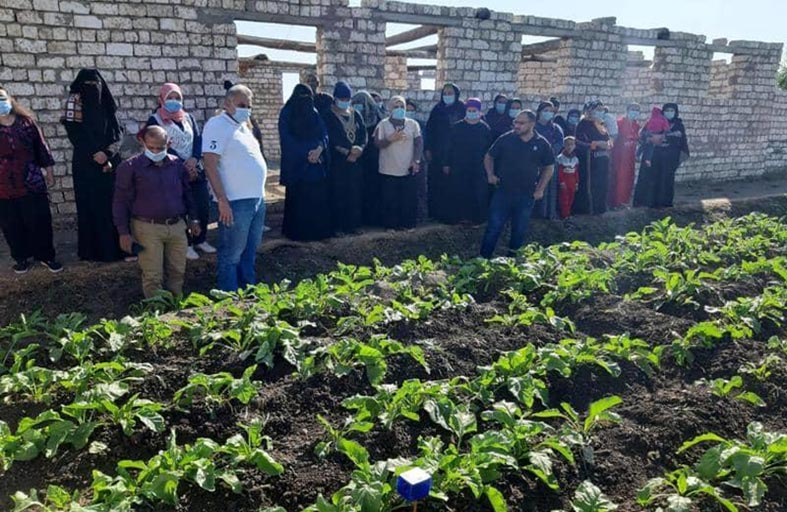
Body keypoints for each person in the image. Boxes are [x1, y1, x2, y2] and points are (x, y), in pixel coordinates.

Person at [113, 126, 199, 298]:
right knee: (153, 275)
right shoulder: (130, 167)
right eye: (151, 147)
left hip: (176, 226)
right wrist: (123, 232)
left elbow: (187, 193)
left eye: (160, 148)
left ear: (169, 143)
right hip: (147, 227)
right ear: (143, 143)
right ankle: (156, 314)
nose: (155, 151)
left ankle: (175, 307)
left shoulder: (176, 164)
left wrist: (194, 219)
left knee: (177, 271)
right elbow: (120, 201)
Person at [202, 85, 267, 292]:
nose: (246, 109)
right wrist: (222, 200)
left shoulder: (243, 127)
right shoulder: (217, 125)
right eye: (241, 105)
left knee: (249, 251)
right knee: (231, 253)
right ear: (227, 103)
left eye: (249, 106)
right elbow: (210, 163)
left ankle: (248, 291)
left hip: (256, 199)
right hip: (235, 201)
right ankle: (227, 299)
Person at [145, 83, 215, 261]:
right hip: (172, 170)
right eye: (170, 98)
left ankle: (200, 239)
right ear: (162, 99)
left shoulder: (188, 118)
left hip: (194, 168)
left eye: (177, 98)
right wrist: (183, 163)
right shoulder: (155, 120)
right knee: (182, 208)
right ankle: (186, 244)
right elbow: (159, 145)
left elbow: (198, 139)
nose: (174, 102)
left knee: (202, 205)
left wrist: (194, 159)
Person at [62, 68, 124, 262]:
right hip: (85, 165)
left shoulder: (108, 106)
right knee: (89, 207)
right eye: (87, 86)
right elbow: (75, 133)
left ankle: (114, 249)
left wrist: (107, 154)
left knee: (111, 206)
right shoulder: (75, 105)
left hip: (109, 164)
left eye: (95, 85)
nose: (92, 89)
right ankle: (92, 251)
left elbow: (118, 134)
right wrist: (93, 153)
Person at [0, 87, 62, 274]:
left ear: (10, 100)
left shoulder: (26, 123)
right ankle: (21, 257)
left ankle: (46, 256)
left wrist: (49, 172)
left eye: (2, 98)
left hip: (31, 182)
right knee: (11, 224)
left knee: (39, 221)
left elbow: (41, 148)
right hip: (3, 187)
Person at [480, 110, 554, 258]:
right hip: (503, 191)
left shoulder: (541, 143)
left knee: (519, 230)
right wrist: (490, 174)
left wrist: (540, 189)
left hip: (526, 194)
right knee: (494, 227)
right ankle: (483, 258)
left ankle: (512, 262)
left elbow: (549, 167)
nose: (517, 126)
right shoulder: (506, 139)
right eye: (515, 122)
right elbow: (489, 156)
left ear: (532, 124)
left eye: (521, 123)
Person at [279, 84, 332, 241]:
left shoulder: (314, 112)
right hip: (297, 167)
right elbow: (286, 139)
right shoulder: (287, 113)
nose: (305, 102)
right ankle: (298, 234)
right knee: (299, 201)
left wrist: (319, 149)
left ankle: (318, 233)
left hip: (315, 166)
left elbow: (324, 134)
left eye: (308, 98)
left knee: (316, 200)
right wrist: (306, 153)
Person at [322, 81, 367, 234]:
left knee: (354, 194)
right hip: (338, 162)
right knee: (338, 193)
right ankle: (338, 227)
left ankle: (353, 225)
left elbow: (363, 134)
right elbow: (330, 138)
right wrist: (347, 152)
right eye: (342, 98)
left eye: (347, 98)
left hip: (356, 161)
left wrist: (359, 148)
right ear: (335, 98)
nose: (345, 101)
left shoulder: (355, 113)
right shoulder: (328, 115)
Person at [374, 96, 422, 230]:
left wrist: (416, 160)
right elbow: (377, 144)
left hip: (407, 167)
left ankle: (407, 225)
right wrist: (391, 139)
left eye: (402, 107)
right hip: (388, 168)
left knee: (407, 199)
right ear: (390, 108)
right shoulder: (383, 124)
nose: (399, 109)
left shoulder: (413, 124)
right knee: (390, 200)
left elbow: (418, 143)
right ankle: (390, 226)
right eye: (396, 107)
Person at [442, 98, 493, 224]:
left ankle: (476, 219)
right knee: (459, 191)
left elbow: (489, 150)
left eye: (474, 110)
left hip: (478, 166)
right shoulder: (457, 127)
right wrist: (446, 163)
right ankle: (458, 217)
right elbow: (449, 146)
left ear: (479, 111)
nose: (471, 112)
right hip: (459, 165)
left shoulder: (484, 128)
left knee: (477, 193)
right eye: (469, 110)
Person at [633, 103, 690, 208]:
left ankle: (663, 204)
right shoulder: (653, 121)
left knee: (665, 180)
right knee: (649, 179)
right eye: (667, 110)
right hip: (654, 157)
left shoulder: (678, 125)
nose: (669, 113)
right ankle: (646, 203)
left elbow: (679, 141)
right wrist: (650, 138)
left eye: (671, 110)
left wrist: (663, 138)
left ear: (676, 112)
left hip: (668, 159)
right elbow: (642, 135)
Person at [425, 83, 465, 221]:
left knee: (453, 184)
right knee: (437, 183)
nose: (447, 96)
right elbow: (429, 130)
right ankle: (435, 213)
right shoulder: (437, 109)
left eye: (450, 93)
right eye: (445, 93)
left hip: (456, 153)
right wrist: (428, 149)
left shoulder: (462, 109)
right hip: (437, 152)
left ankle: (452, 215)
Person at [573, 101, 612, 215]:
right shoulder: (582, 124)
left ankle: (601, 207)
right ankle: (589, 209)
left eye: (602, 109)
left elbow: (607, 139)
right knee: (590, 184)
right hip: (589, 160)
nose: (600, 112)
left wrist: (606, 144)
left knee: (602, 183)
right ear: (590, 110)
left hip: (602, 159)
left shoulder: (600, 124)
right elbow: (578, 141)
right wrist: (595, 144)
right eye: (597, 109)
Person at [353, 91, 384, 227]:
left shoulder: (378, 118)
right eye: (356, 104)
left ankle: (374, 220)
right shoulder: (353, 118)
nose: (359, 107)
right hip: (358, 159)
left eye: (361, 104)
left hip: (374, 160)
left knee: (374, 190)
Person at [533, 101, 564, 220]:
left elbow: (559, 143)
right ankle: (536, 215)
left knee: (550, 188)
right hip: (535, 163)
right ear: (539, 112)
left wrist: (549, 153)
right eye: (545, 110)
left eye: (551, 111)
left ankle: (549, 214)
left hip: (551, 163)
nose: (548, 113)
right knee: (537, 186)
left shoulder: (556, 128)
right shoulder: (533, 127)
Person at [608, 103, 641, 208]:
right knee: (618, 178)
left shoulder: (636, 126)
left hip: (630, 157)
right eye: (633, 109)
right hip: (619, 156)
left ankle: (624, 201)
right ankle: (615, 202)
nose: (634, 112)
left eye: (637, 110)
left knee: (629, 178)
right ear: (627, 110)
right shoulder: (620, 123)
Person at [406, 98, 428, 222]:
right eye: (407, 110)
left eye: (412, 111)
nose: (409, 113)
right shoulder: (398, 125)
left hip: (419, 160)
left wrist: (418, 159)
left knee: (420, 189)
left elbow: (424, 142)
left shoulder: (421, 124)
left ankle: (421, 216)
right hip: (403, 160)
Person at [556, 136, 580, 219]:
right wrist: (561, 182)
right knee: (564, 199)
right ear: (564, 145)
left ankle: (568, 212)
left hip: (572, 181)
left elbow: (576, 172)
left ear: (575, 146)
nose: (569, 147)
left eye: (572, 144)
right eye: (567, 144)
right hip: (565, 181)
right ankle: (564, 215)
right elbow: (559, 172)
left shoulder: (575, 159)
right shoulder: (560, 158)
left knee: (571, 198)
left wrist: (576, 182)